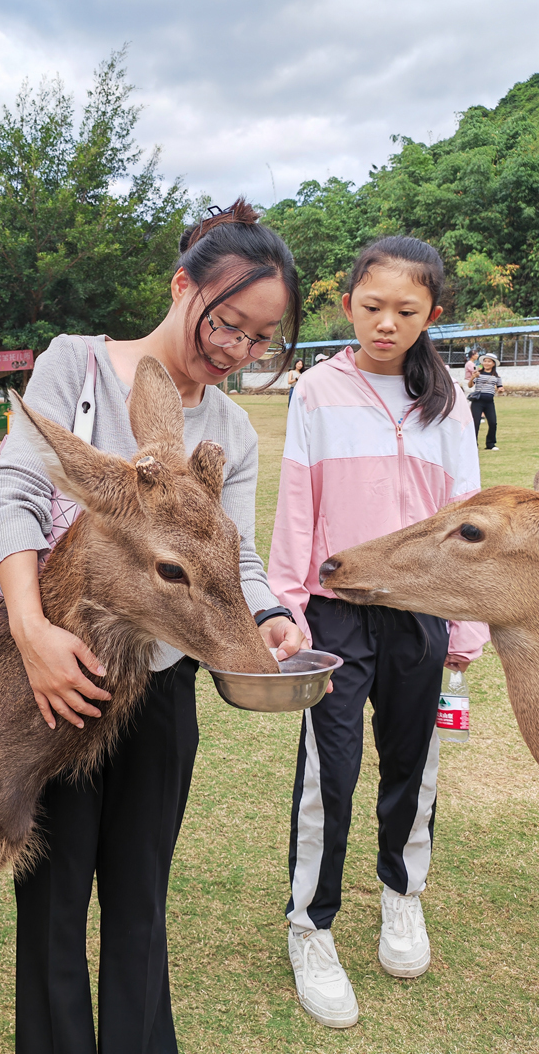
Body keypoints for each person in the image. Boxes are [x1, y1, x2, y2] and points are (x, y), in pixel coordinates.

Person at [0, 199, 309, 1054]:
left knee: (140, 899)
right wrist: (30, 634)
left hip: (160, 688)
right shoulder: (78, 367)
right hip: (57, 678)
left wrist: (268, 618)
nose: (237, 351)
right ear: (182, 286)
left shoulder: (230, 427)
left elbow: (231, 559)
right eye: (229, 323)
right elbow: (13, 489)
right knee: (52, 901)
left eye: (259, 339)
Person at [268, 236, 488, 1029]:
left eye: (405, 310)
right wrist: (288, 604)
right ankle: (310, 927)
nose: (386, 324)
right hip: (336, 609)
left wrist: (463, 620)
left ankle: (402, 897)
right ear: (348, 304)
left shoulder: (448, 397)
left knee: (413, 764)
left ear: (433, 313)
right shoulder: (318, 392)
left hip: (421, 614)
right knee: (331, 770)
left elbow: (466, 514)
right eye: (371, 307)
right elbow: (299, 503)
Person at [468, 353, 504, 450]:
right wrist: (473, 377)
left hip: (489, 402)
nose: (486, 363)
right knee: (475, 423)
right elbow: (470, 385)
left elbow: (500, 387)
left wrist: (501, 390)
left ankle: (490, 444)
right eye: (485, 361)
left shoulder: (497, 376)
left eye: (489, 361)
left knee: (493, 422)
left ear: (493, 364)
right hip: (477, 402)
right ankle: (472, 444)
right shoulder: (478, 373)